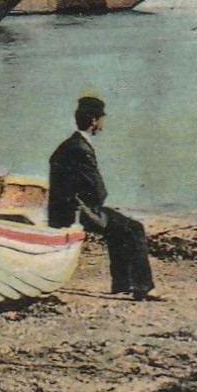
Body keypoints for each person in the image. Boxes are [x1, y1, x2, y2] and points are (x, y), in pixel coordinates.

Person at [48, 94, 158, 300]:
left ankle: (124, 284)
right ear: (93, 121)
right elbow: (97, 189)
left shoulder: (69, 145)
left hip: (63, 209)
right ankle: (141, 287)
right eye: (100, 120)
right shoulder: (81, 149)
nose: (101, 124)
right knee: (134, 228)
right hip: (76, 213)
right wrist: (98, 202)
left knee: (119, 227)